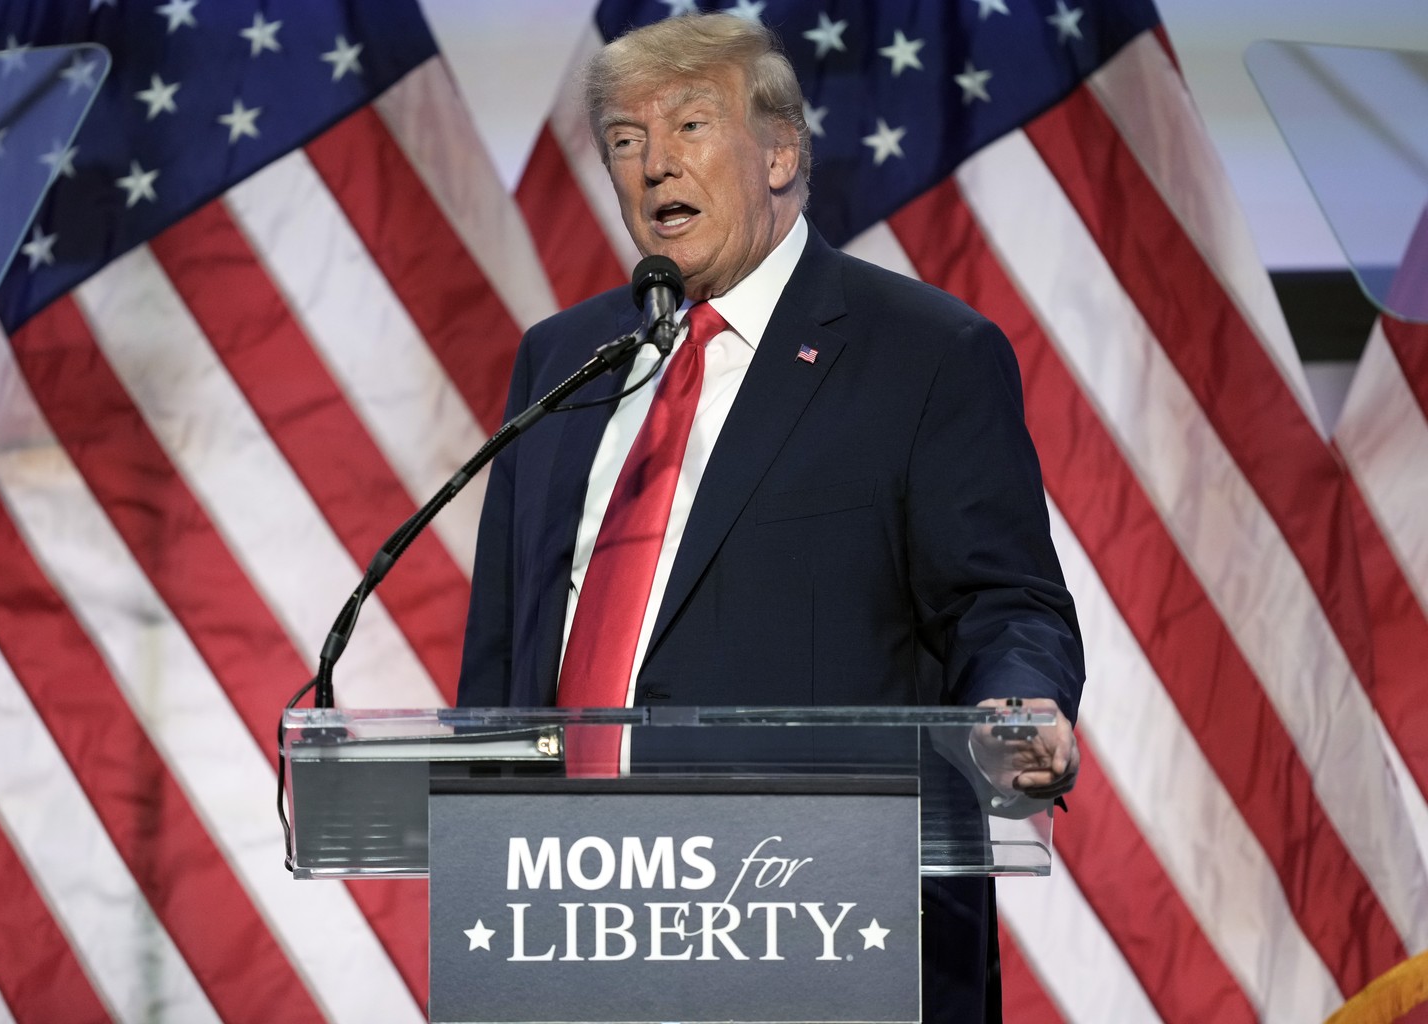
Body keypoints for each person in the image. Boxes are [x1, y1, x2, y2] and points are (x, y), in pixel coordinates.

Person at [458, 12, 1084, 1022]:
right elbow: (503, 651)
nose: (655, 164)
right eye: (626, 140)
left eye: (692, 127)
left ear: (781, 152)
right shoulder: (560, 361)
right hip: (569, 929)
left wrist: (1021, 704)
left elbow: (1003, 601)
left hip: (821, 927)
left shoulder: (922, 353)